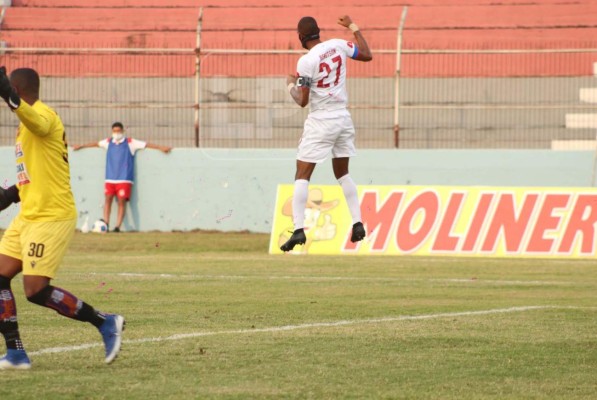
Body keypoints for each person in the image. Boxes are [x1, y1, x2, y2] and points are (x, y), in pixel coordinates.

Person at [0, 66, 124, 370]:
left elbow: (39, 124)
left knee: (35, 290)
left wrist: (9, 97)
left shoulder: (43, 115)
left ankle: (105, 322)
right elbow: (36, 172)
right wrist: (9, 195)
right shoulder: (23, 126)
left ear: (15, 89)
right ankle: (15, 352)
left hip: (51, 216)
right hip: (28, 214)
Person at [280, 15, 373, 252]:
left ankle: (299, 229)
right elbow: (366, 54)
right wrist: (353, 26)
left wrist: (290, 85)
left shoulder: (306, 61)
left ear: (301, 37)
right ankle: (358, 223)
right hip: (343, 118)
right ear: (318, 32)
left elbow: (302, 100)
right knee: (343, 173)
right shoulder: (338, 45)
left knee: (302, 174)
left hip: (321, 120)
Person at [73, 123, 171, 232]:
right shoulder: (108, 142)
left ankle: (117, 227)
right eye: (114, 131)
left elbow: (146, 145)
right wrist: (81, 146)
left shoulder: (130, 142)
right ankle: (106, 224)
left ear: (122, 131)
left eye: (118, 131)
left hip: (124, 179)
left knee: (121, 201)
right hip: (110, 178)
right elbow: (96, 144)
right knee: (108, 199)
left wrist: (161, 147)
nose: (116, 133)